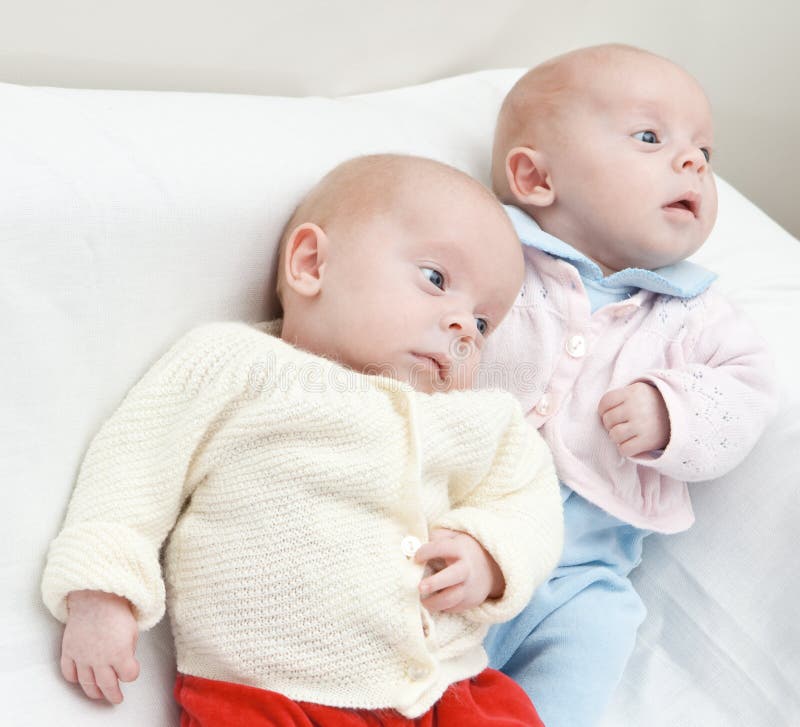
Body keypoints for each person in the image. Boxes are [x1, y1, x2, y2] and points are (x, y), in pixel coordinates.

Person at [41, 154, 564, 726]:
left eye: (484, 323)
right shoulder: (233, 365)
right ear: (312, 263)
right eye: (436, 280)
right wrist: (103, 589)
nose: (464, 327)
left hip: (448, 687)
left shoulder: (477, 420)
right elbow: (134, 467)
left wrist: (489, 555)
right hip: (268, 692)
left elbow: (529, 500)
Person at [482, 44, 777, 727]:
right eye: (651, 137)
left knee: (599, 633)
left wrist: (672, 410)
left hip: (577, 573)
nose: (693, 162)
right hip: (451, 520)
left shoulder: (695, 311)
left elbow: (746, 395)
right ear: (534, 176)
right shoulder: (492, 250)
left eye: (705, 150)